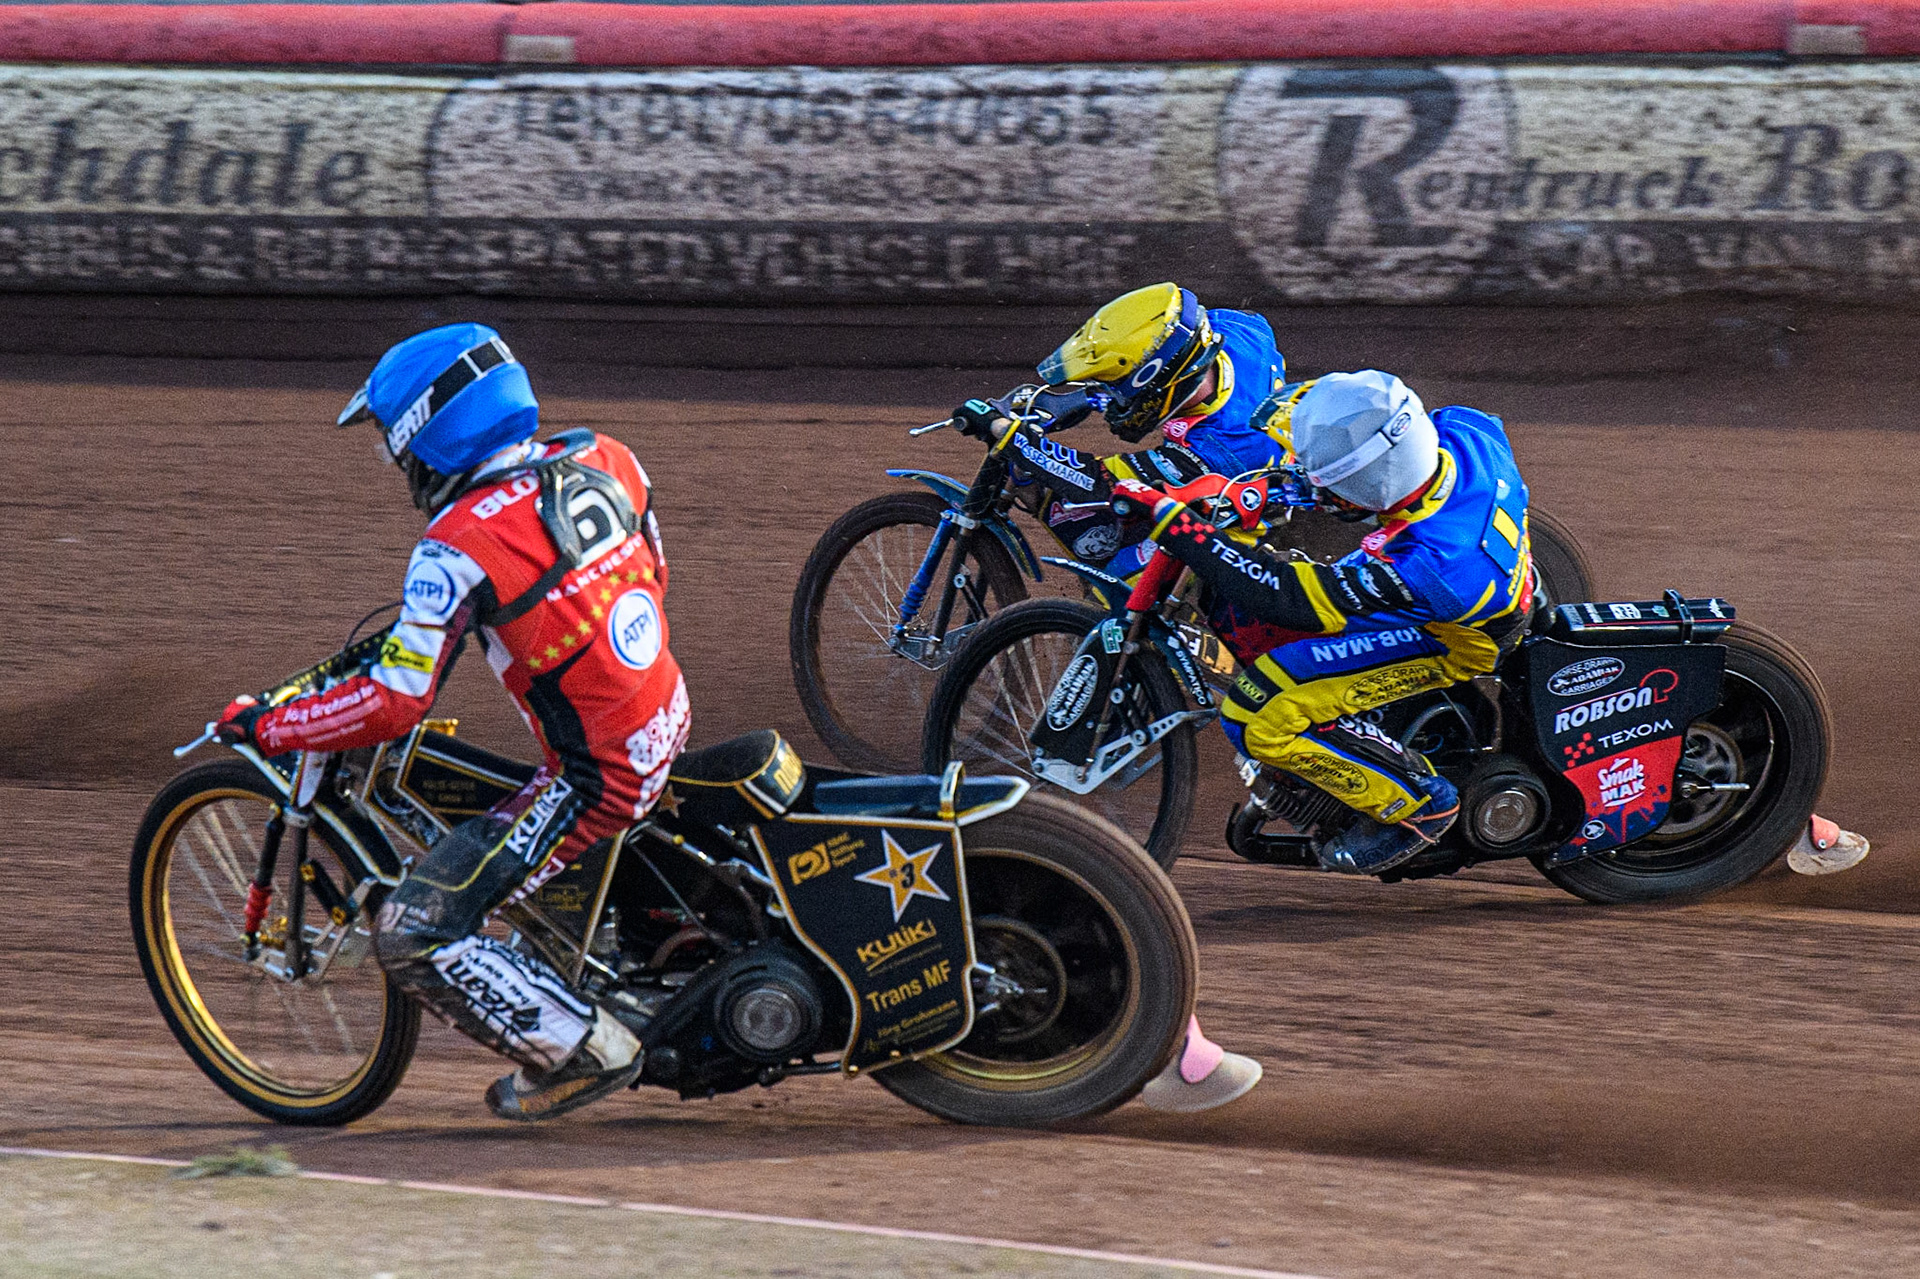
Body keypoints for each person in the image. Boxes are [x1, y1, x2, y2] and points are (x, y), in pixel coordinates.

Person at [214, 323, 690, 1121]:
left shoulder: (454, 545)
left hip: (596, 777)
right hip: (667, 712)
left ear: (427, 439)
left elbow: (396, 701)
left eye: (396, 450)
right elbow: (653, 571)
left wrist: (274, 728)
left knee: (412, 928)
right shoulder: (609, 455)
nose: (398, 468)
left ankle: (585, 1048)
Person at [1116, 370, 1534, 875]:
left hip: (1452, 639)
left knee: (1258, 708)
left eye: (1330, 484)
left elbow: (1291, 600)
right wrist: (1254, 495)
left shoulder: (1433, 565)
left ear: (1374, 484)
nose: (1316, 486)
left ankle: (1418, 804)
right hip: (1486, 575)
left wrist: (1179, 528)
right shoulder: (1465, 436)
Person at [950, 282, 1284, 574]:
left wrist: (1004, 432)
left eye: (1120, 389)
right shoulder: (1243, 333)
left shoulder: (1217, 448)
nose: (1116, 400)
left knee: (1116, 576)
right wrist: (1085, 394)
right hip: (1273, 485)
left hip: (1238, 532)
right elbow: (1173, 335)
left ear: (1167, 384)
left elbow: (1098, 480)